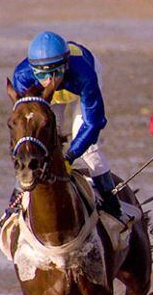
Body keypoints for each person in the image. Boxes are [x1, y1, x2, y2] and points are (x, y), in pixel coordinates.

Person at [12, 31, 123, 219]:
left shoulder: (85, 74)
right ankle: (14, 202)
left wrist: (70, 156)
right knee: (43, 143)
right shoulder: (22, 77)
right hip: (50, 98)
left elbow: (93, 123)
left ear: (66, 65)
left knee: (90, 150)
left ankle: (114, 207)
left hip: (78, 87)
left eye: (56, 72)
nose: (49, 81)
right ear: (33, 70)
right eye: (42, 74)